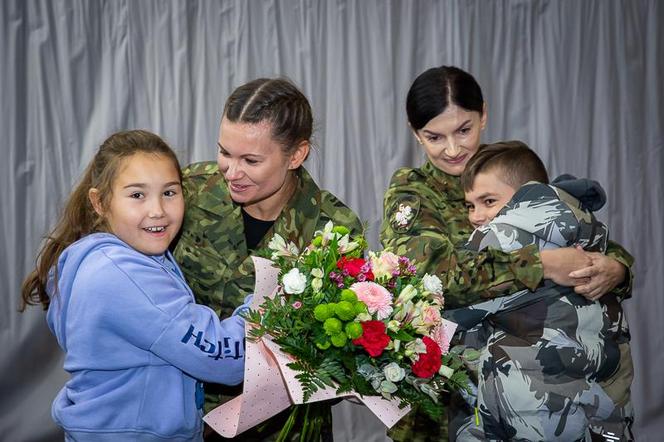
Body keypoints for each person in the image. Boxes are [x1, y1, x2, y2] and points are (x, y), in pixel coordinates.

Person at [380, 66, 633, 441]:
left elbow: (580, 235)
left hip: (540, 394)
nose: (453, 149)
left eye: (464, 130)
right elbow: (430, 281)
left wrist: (616, 269)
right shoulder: (412, 193)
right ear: (415, 133)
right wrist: (541, 264)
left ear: (484, 114)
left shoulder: (510, 169)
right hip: (448, 404)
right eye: (435, 136)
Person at [20, 130, 248, 441]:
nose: (157, 210)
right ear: (100, 202)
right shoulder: (122, 275)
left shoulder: (113, 257)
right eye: (137, 195)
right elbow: (224, 360)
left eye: (169, 192)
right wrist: (266, 305)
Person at [172, 78, 363, 440]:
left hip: (283, 429)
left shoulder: (333, 230)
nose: (231, 171)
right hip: (186, 416)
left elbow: (339, 351)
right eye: (225, 152)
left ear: (296, 155)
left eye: (251, 160)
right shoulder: (190, 191)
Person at [445, 141, 633, 441]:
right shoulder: (585, 228)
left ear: (526, 197)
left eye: (489, 201)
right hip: (593, 407)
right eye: (470, 205)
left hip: (527, 416)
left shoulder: (500, 238)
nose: (476, 216)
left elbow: (446, 312)